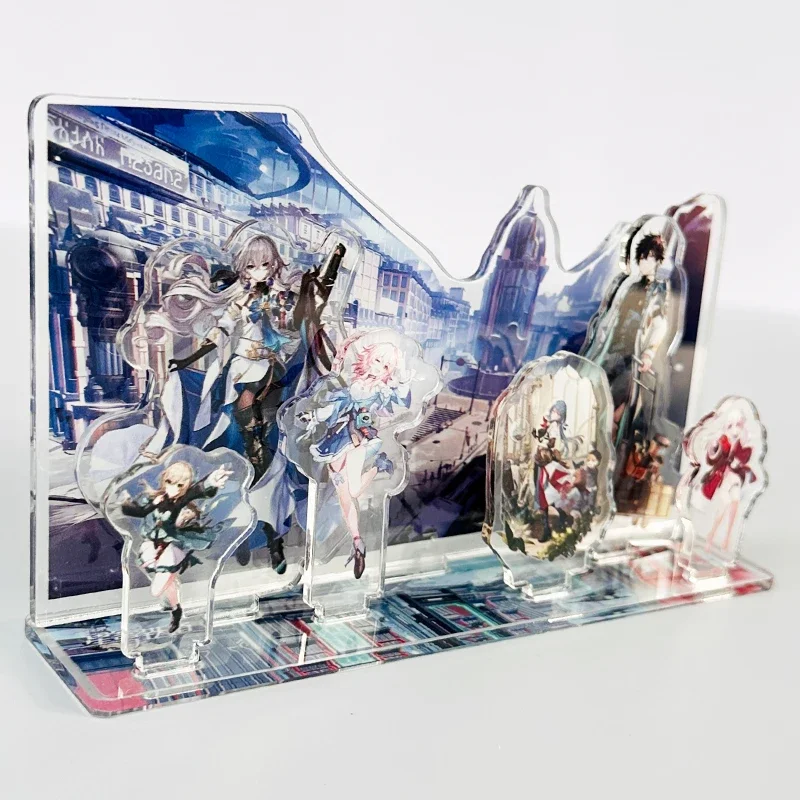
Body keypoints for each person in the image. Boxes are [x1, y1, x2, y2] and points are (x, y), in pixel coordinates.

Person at [299, 341, 411, 578]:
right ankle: (357, 541)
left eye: (386, 366)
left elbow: (402, 400)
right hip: (337, 441)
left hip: (360, 441)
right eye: (378, 360)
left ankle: (378, 466)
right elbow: (335, 406)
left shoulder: (381, 391)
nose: (379, 367)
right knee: (345, 498)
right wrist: (313, 416)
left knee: (354, 490)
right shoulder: (353, 384)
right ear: (369, 358)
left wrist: (402, 379)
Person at [120, 461, 233, 632]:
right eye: (170, 482)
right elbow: (138, 512)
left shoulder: (179, 502)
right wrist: (124, 501)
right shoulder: (155, 499)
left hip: (168, 547)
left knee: (156, 590)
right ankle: (176, 609)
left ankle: (173, 599)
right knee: (166, 581)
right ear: (164, 480)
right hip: (149, 546)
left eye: (180, 485)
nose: (173, 488)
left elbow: (196, 491)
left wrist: (211, 480)